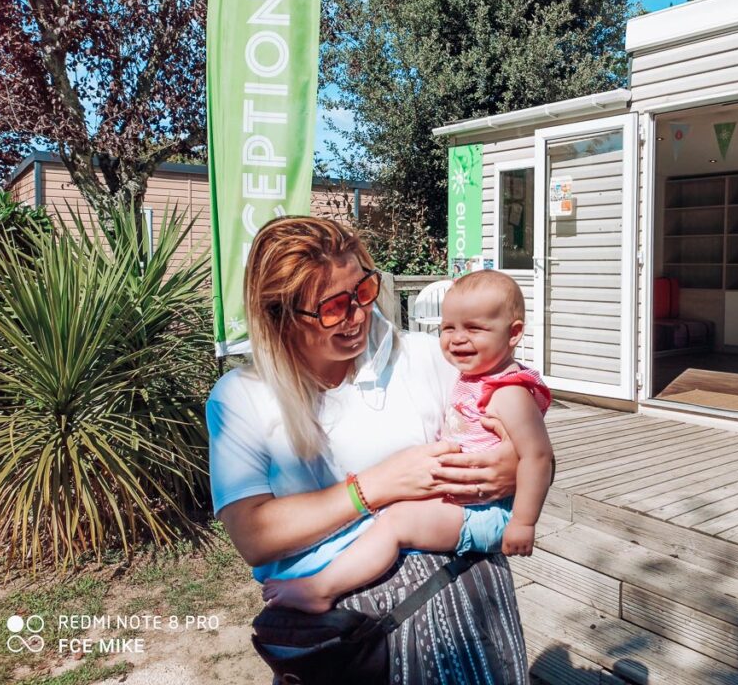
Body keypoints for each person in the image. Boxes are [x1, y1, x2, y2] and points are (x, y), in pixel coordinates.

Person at [206, 217, 530, 683]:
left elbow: (533, 444)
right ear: (279, 313)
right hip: (343, 633)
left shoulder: (425, 357)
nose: (357, 315)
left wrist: (512, 466)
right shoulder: (241, 397)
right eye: (333, 307)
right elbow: (254, 537)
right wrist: (374, 486)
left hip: (459, 592)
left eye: (363, 290)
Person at [261, 270, 553, 614]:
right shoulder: (471, 375)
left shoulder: (508, 392)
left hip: (487, 514)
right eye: (448, 327)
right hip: (465, 503)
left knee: (396, 523)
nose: (457, 339)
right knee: (391, 514)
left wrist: (523, 522)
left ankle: (320, 590)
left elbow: (538, 457)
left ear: (514, 333)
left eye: (474, 328)